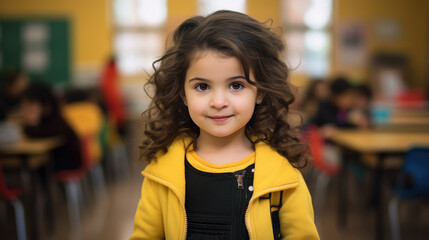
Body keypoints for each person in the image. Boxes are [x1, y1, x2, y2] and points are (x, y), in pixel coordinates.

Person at [130, 10, 319, 240]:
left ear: (260, 92)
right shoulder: (162, 172)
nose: (218, 102)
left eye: (236, 85)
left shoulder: (283, 175)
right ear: (182, 94)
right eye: (202, 87)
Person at [21, 82, 82, 171]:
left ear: (45, 105)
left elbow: (35, 134)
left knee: (37, 166)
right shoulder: (49, 117)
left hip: (69, 160)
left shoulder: (55, 122)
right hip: (56, 157)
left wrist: (31, 122)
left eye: (31, 105)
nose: (27, 109)